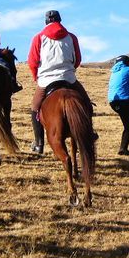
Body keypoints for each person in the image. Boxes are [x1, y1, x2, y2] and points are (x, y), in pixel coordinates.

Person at [26, 10, 93, 154]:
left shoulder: (38, 38)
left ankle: (39, 143)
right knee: (87, 103)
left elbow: (32, 61)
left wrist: (36, 77)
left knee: (35, 108)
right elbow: (77, 59)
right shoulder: (71, 37)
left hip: (46, 80)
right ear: (60, 20)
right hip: (68, 77)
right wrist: (69, 69)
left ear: (46, 21)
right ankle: (90, 133)